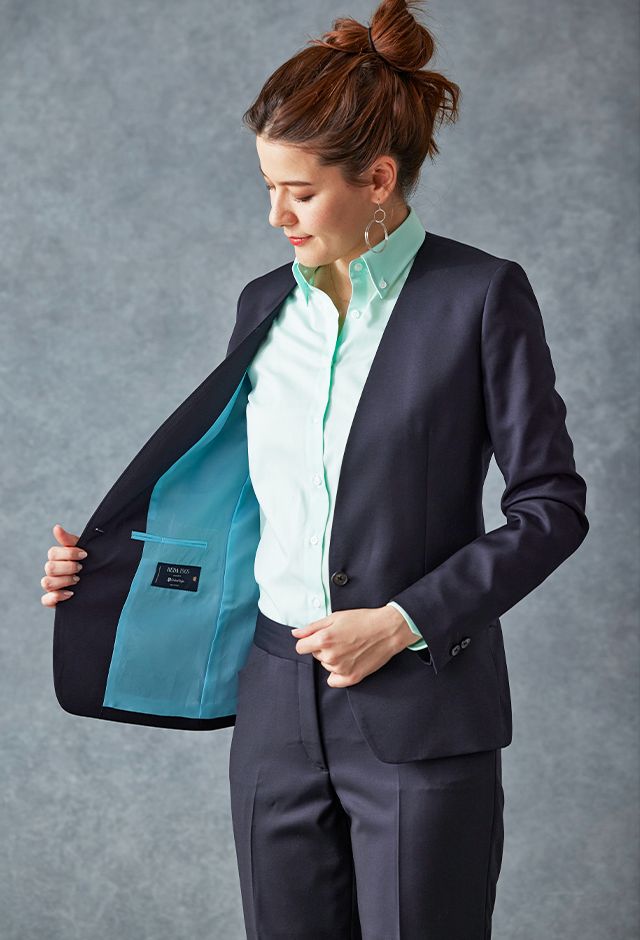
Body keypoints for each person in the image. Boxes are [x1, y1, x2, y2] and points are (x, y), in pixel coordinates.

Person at [41, 1, 590, 937]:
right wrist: (108, 569)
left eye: (298, 191)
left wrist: (403, 622)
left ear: (378, 179)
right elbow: (246, 500)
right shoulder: (263, 304)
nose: (276, 215)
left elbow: (552, 508)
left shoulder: (479, 297)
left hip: (421, 706)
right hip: (273, 708)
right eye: (267, 186)